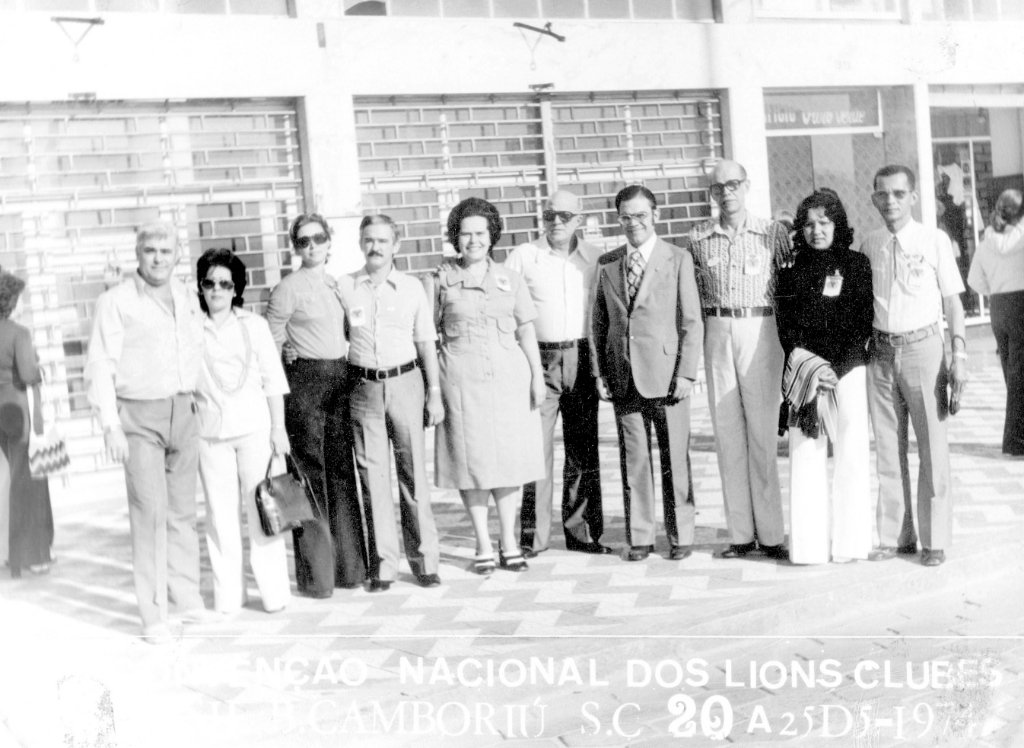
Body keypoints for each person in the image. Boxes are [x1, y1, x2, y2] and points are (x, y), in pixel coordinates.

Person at [85, 222, 212, 644]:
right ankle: (153, 616)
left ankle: (186, 599)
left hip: (184, 410)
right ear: (137, 254)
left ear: (178, 253)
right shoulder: (115, 301)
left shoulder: (186, 296)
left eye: (166, 250)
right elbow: (100, 364)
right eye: (150, 250)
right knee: (150, 514)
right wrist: (110, 426)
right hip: (139, 417)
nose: (158, 257)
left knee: (181, 513)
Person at [425, 197, 545, 575]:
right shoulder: (440, 280)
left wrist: (537, 376)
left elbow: (526, 329)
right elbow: (427, 337)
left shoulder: (510, 278)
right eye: (465, 234)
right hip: (461, 383)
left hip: (510, 381)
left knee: (510, 462)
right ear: (454, 239)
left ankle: (508, 541)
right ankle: (481, 542)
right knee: (471, 461)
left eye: (480, 233)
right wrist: (432, 390)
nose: (473, 240)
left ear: (492, 236)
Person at [859, 164, 968, 568]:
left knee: (932, 449)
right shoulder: (869, 244)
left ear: (913, 197)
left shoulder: (933, 239)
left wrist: (960, 354)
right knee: (888, 450)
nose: (890, 201)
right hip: (881, 353)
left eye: (899, 194)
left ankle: (935, 539)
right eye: (883, 194)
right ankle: (896, 536)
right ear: (873, 198)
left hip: (925, 350)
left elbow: (954, 301)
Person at [591, 185, 703, 562]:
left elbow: (691, 320)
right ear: (618, 218)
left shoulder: (677, 258)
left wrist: (686, 373)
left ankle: (681, 534)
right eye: (625, 216)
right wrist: (600, 373)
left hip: (668, 375)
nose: (633, 223)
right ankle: (639, 535)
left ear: (654, 215)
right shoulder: (607, 262)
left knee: (675, 459)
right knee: (634, 461)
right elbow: (598, 323)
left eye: (640, 215)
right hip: (624, 376)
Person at [688, 160, 791, 561]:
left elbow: (788, 285)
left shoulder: (772, 233)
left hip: (760, 329)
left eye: (733, 184)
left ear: (746, 186)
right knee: (727, 433)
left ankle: (770, 534)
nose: (726, 193)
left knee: (762, 436)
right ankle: (740, 534)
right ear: (711, 193)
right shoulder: (697, 237)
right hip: (718, 329)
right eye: (718, 188)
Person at [505, 190, 610, 558]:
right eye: (550, 214)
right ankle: (533, 537)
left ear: (579, 219)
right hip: (539, 359)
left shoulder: (596, 258)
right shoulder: (524, 256)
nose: (557, 222)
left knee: (583, 450)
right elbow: (507, 310)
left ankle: (582, 533)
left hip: (582, 357)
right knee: (537, 451)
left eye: (565, 215)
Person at [341, 215, 443, 592]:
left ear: (396, 245)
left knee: (412, 474)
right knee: (373, 479)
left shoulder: (412, 287)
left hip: (405, 382)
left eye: (383, 241)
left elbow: (426, 343)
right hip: (363, 387)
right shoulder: (345, 287)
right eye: (369, 240)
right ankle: (383, 565)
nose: (375, 247)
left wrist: (434, 392)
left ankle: (425, 561)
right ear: (360, 243)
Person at [266, 214, 366, 595]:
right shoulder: (287, 288)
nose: (311, 246)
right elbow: (270, 346)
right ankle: (318, 577)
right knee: (309, 478)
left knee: (342, 475)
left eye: (318, 238)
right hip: (304, 385)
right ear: (295, 247)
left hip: (339, 382)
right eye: (303, 241)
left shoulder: (337, 285)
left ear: (329, 241)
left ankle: (350, 570)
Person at [775, 190, 874, 564]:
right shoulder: (789, 272)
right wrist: (814, 368)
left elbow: (861, 320)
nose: (817, 230)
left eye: (824, 222)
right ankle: (809, 548)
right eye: (809, 224)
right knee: (805, 453)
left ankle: (852, 543)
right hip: (807, 374)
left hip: (848, 371)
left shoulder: (857, 264)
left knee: (851, 453)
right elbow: (786, 327)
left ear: (838, 224)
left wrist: (836, 367)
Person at [195, 249, 291, 614]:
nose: (216, 290)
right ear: (201, 287)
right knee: (220, 517)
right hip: (210, 433)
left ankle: (274, 594)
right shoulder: (190, 327)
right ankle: (229, 598)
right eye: (209, 282)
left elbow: (273, 380)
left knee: (265, 509)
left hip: (256, 429)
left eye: (224, 283)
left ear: (236, 289)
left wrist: (279, 429)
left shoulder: (254, 325)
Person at [0, 273, 53, 578]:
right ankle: (32, 555)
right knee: (29, 483)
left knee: (10, 480)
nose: (24, 303)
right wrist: (38, 364)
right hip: (20, 412)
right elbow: (30, 374)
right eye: (20, 298)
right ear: (10, 301)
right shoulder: (19, 332)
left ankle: (11, 554)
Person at [968, 189, 1024, 457]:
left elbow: (974, 281)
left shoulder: (985, 242)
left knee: (1011, 375)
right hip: (1021, 304)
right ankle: (1016, 440)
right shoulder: (1022, 238)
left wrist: (994, 288)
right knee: (1020, 377)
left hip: (998, 308)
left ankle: (1016, 437)